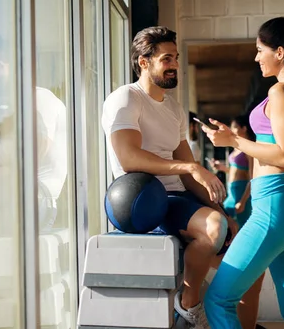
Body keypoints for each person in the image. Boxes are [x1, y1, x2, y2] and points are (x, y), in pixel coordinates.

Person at [101, 26, 235, 329]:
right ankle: (189, 306)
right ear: (143, 62)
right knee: (213, 230)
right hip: (148, 198)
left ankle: (234, 320)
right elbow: (129, 158)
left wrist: (222, 212)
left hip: (180, 197)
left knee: (236, 242)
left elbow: (190, 173)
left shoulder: (174, 109)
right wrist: (189, 168)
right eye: (166, 58)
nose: (174, 65)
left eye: (175, 58)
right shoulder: (126, 99)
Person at [201, 11, 284, 329]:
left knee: (218, 299)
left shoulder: (281, 92)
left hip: (275, 205)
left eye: (260, 50)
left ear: (279, 52)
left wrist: (235, 140)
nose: (257, 58)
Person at [209, 115, 264, 329]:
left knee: (241, 238)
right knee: (230, 235)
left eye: (234, 128)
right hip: (231, 195)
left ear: (242, 128)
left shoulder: (249, 148)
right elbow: (234, 171)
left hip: (241, 195)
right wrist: (220, 168)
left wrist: (244, 200)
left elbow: (252, 176)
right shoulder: (235, 148)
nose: (231, 131)